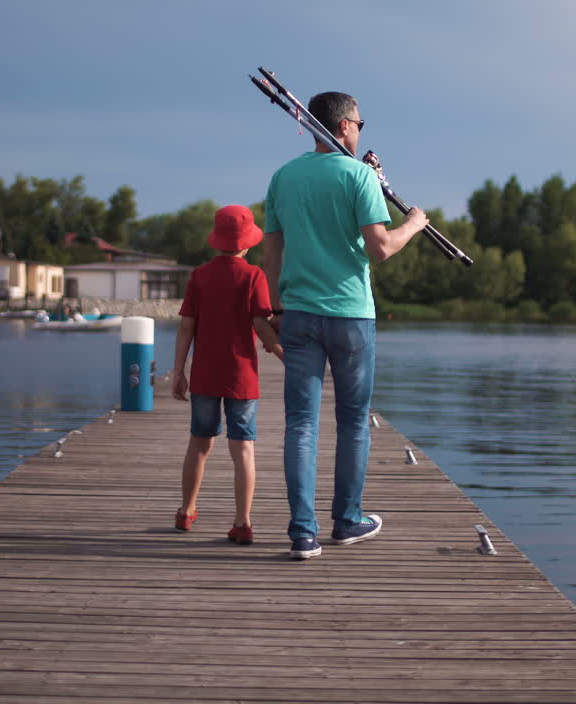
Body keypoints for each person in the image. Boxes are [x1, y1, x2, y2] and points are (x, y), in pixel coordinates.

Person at [263, 91, 429, 560]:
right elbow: (380, 248)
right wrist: (414, 224)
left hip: (297, 313)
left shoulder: (283, 177)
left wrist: (276, 307)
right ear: (344, 126)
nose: (360, 131)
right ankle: (347, 520)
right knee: (353, 422)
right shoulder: (358, 176)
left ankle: (302, 533)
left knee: (300, 424)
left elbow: (271, 253)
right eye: (360, 123)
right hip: (352, 315)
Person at [172, 205, 283, 545]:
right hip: (242, 377)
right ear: (246, 244)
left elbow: (187, 326)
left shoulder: (199, 276)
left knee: (199, 445)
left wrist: (179, 371)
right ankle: (242, 522)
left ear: (216, 241)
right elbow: (260, 324)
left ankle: (186, 511)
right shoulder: (253, 277)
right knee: (243, 449)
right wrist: (283, 354)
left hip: (205, 374)